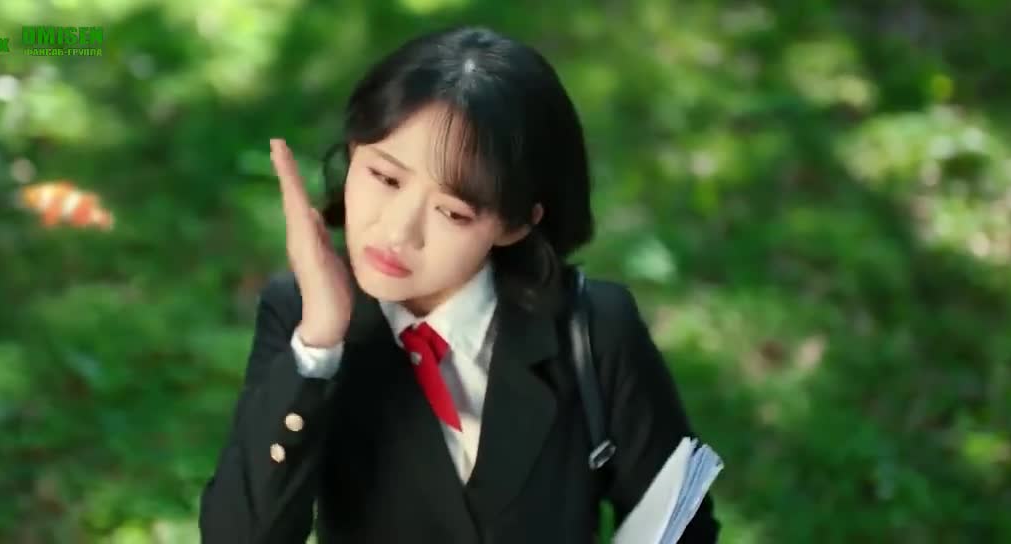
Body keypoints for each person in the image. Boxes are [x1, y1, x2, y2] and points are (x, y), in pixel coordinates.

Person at [199, 25, 719, 544]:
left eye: (451, 212)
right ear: (355, 150)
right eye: (385, 178)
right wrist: (317, 348)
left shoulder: (593, 328)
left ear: (515, 223)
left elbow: (683, 527)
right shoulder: (303, 316)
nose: (398, 232)